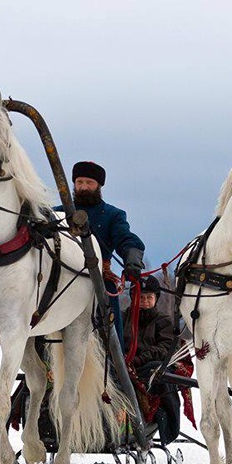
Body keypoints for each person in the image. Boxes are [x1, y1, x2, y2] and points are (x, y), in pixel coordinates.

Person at [62, 161, 146, 344]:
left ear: (99, 186)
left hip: (99, 281)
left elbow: (127, 239)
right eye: (79, 182)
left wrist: (132, 261)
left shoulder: (112, 215)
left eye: (89, 183)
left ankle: (115, 368)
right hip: (62, 281)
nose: (83, 187)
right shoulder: (58, 213)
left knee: (111, 332)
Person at [122, 276, 179, 443]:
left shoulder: (164, 321)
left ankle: (167, 423)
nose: (145, 301)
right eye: (141, 297)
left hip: (148, 366)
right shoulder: (123, 318)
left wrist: (139, 359)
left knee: (158, 371)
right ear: (133, 298)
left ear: (156, 299)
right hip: (124, 365)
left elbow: (165, 348)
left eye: (149, 297)